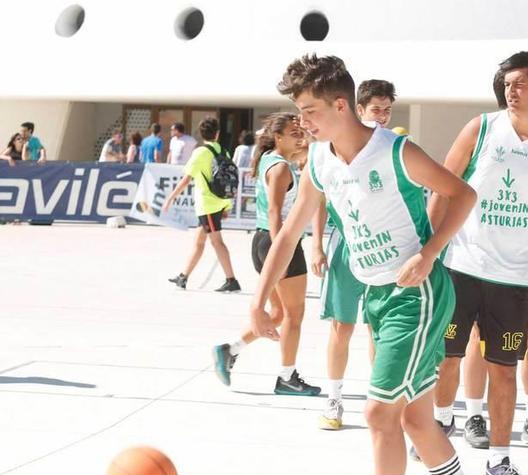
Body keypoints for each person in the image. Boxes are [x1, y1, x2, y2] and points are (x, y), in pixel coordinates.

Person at [251, 54, 476, 475]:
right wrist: (257, 300)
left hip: (416, 293)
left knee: (377, 413)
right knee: (414, 418)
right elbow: (289, 233)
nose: (303, 123)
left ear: (340, 105)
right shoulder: (318, 161)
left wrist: (430, 253)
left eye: (310, 111)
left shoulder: (394, 151)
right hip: (375, 295)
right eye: (298, 113)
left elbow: (462, 194)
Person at [428, 51, 528, 475]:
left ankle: (499, 462)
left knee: (505, 370)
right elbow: (441, 185)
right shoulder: (481, 128)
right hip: (460, 266)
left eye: (519, 84)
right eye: (506, 84)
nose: (510, 91)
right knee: (448, 359)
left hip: (513, 277)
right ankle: (439, 430)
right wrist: (429, 252)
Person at [308, 78, 397, 431]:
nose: (383, 117)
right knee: (341, 327)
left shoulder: (392, 149)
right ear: (358, 110)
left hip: (383, 250)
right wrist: (316, 244)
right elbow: (316, 198)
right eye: (376, 109)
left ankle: (380, 398)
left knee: (378, 329)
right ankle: (334, 398)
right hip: (346, 247)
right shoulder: (329, 151)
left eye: (388, 110)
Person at [212, 113, 321, 395]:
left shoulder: (269, 159)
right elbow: (274, 210)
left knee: (277, 313)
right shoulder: (281, 167)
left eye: (301, 131)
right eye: (294, 132)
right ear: (278, 137)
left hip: (262, 240)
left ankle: (230, 349)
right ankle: (287, 377)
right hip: (276, 240)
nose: (300, 135)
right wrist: (280, 251)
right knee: (294, 315)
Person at [163, 117, 241, 293]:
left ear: (201, 134)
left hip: (207, 204)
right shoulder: (223, 151)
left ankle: (231, 279)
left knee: (217, 242)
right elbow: (229, 178)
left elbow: (186, 179)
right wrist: (227, 206)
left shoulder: (200, 153)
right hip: (219, 202)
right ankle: (183, 277)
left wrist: (171, 198)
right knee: (199, 242)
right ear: (218, 133)